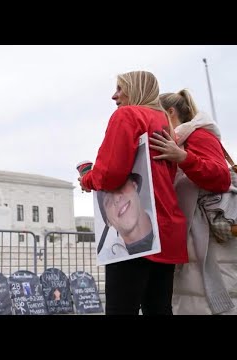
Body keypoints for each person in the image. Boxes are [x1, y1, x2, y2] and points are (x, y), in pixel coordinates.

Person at [79, 71, 187, 315]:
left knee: (121, 309)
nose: (114, 96)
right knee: (159, 308)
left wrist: (88, 179)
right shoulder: (163, 121)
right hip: (166, 227)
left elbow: (111, 174)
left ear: (136, 89)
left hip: (134, 235)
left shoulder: (128, 115)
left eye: (120, 88)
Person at [150, 89, 235, 315]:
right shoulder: (177, 139)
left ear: (170, 112)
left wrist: (183, 158)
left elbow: (221, 177)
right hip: (193, 235)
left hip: (208, 234)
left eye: (156, 113)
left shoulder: (198, 136)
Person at [97, 173, 154, 256]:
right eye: (108, 200)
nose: (116, 198)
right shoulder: (106, 258)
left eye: (120, 185)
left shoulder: (169, 224)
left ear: (135, 186)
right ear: (108, 221)